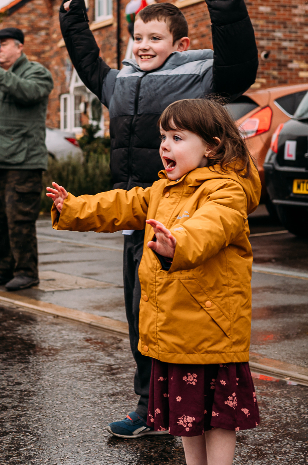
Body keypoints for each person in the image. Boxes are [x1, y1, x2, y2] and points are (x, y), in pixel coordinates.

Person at [58, 0, 258, 438]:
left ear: (180, 42)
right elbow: (89, 65)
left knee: (184, 320)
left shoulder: (198, 75)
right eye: (137, 37)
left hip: (185, 226)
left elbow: (239, 67)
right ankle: (151, 405)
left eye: (155, 38)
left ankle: (187, 404)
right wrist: (74, 21)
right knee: (143, 321)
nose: (143, 46)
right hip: (139, 218)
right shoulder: (121, 82)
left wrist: (225, 7)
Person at [48, 98, 261, 465]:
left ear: (211, 146)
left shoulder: (227, 191)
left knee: (218, 420)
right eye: (164, 136)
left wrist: (177, 245)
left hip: (212, 331)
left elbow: (211, 226)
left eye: (178, 137)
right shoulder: (162, 190)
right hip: (176, 332)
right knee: (187, 419)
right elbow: (121, 205)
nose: (165, 145)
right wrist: (74, 207)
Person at [0, 27, 54, 291]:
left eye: (4, 44)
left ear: (19, 47)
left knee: (19, 220)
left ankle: (26, 272)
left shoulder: (37, 72)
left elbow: (28, 92)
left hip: (23, 161)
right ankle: (2, 269)